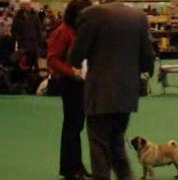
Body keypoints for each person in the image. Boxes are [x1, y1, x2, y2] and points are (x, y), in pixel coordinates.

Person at [69, 0, 156, 179]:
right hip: (127, 91)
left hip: (100, 90)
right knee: (117, 141)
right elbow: (148, 56)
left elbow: (76, 55)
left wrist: (77, 61)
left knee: (99, 143)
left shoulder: (91, 14)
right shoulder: (138, 16)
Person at [46, 0, 92, 179]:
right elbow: (52, 59)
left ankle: (77, 166)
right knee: (72, 127)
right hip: (70, 84)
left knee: (77, 126)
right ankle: (69, 168)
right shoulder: (63, 31)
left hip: (81, 83)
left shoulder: (77, 30)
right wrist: (72, 72)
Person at [11, 0, 42, 71]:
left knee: (34, 65)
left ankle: (34, 79)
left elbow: (39, 30)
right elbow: (13, 31)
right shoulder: (17, 18)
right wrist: (18, 38)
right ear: (23, 6)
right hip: (23, 45)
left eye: (30, 5)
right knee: (23, 64)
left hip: (33, 45)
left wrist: (40, 43)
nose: (30, 6)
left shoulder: (35, 16)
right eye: (28, 5)